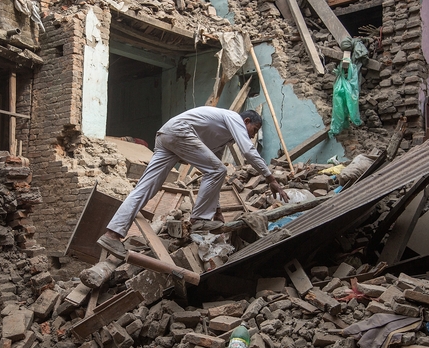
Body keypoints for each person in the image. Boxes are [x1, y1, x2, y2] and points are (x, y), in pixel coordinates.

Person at [97, 106, 290, 259]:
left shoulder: (222, 137)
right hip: (180, 132)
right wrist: (270, 178)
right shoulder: (233, 118)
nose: (252, 136)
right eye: (254, 130)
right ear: (246, 121)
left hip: (167, 135)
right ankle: (199, 221)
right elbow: (247, 151)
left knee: (145, 188)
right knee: (218, 170)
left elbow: (212, 171)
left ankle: (112, 234)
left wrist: (216, 208)